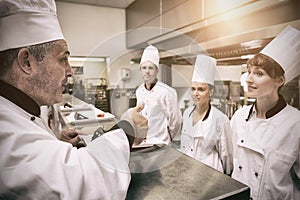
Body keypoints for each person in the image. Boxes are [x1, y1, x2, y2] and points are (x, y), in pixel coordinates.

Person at [0, 0, 141, 199]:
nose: (70, 71)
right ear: (26, 62)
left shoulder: (18, 110)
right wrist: (128, 129)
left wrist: (57, 143)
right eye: (63, 59)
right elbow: (83, 182)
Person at [230, 25, 300, 200]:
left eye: (259, 73)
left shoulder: (296, 123)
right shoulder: (239, 117)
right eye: (249, 72)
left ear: (279, 81)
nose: (249, 79)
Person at [180, 55, 233, 175]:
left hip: (211, 175)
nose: (195, 93)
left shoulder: (220, 119)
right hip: (188, 172)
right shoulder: (187, 113)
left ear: (211, 91)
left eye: (201, 89)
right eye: (193, 89)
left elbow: (227, 157)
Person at [135, 45, 182, 145]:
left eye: (151, 68)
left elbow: (175, 120)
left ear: (157, 70)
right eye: (144, 68)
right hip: (143, 143)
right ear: (140, 70)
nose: (147, 71)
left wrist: (167, 138)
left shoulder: (167, 92)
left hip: (161, 144)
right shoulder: (139, 91)